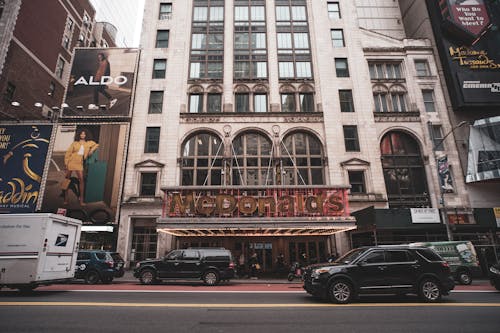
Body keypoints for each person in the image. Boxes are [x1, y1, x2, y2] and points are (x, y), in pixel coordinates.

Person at [63, 128, 99, 205]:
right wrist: (66, 164)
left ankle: (81, 200)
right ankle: (65, 198)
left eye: (84, 134)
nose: (82, 135)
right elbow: (68, 153)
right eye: (81, 134)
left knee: (81, 180)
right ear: (79, 135)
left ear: (86, 135)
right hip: (71, 162)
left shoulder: (89, 143)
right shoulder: (75, 143)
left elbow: (97, 144)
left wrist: (91, 150)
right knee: (66, 180)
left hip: (79, 163)